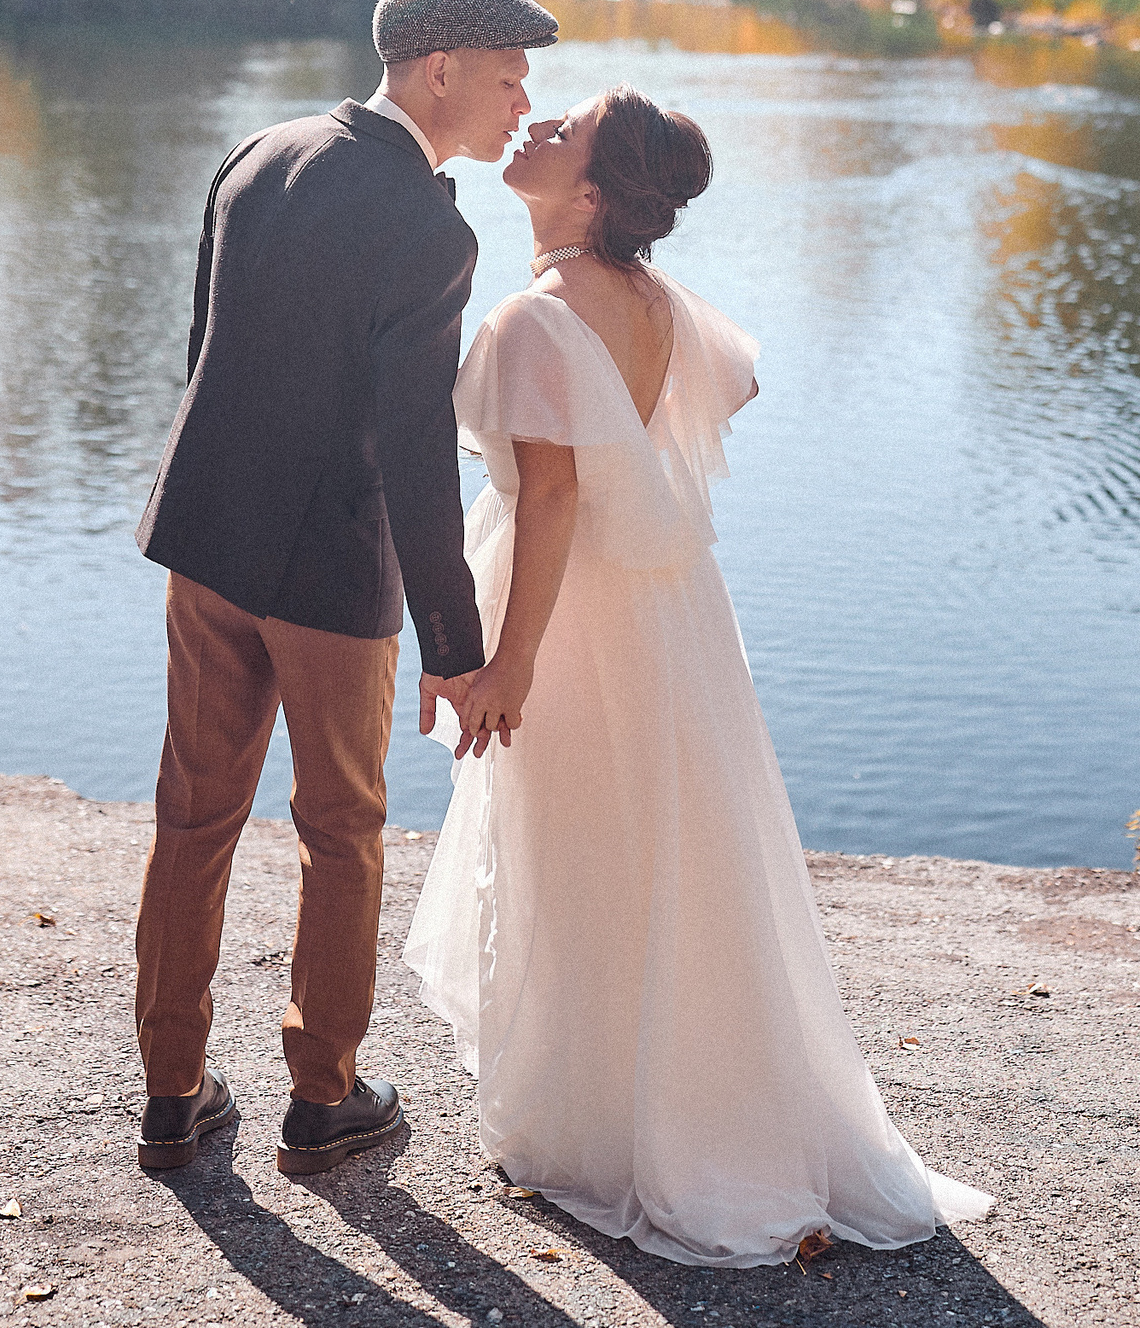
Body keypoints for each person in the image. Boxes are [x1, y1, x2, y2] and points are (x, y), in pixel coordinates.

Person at [404, 84, 992, 1265]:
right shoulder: (653, 302)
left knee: (584, 848)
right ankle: (686, 1110)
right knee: (668, 847)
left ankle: (616, 1135)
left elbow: (558, 493)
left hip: (571, 616)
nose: (533, 127)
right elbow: (708, 403)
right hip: (666, 613)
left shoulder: (534, 317)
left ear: (590, 188)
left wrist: (501, 660)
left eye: (558, 128)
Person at [130, 0, 557, 1177]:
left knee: (191, 817)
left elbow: (205, 350)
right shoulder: (430, 228)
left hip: (208, 545)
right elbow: (417, 455)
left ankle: (172, 1092)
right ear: (439, 70)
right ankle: (321, 1099)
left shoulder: (258, 153)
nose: (523, 95)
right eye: (508, 70)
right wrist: (457, 648)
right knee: (341, 832)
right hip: (328, 578)